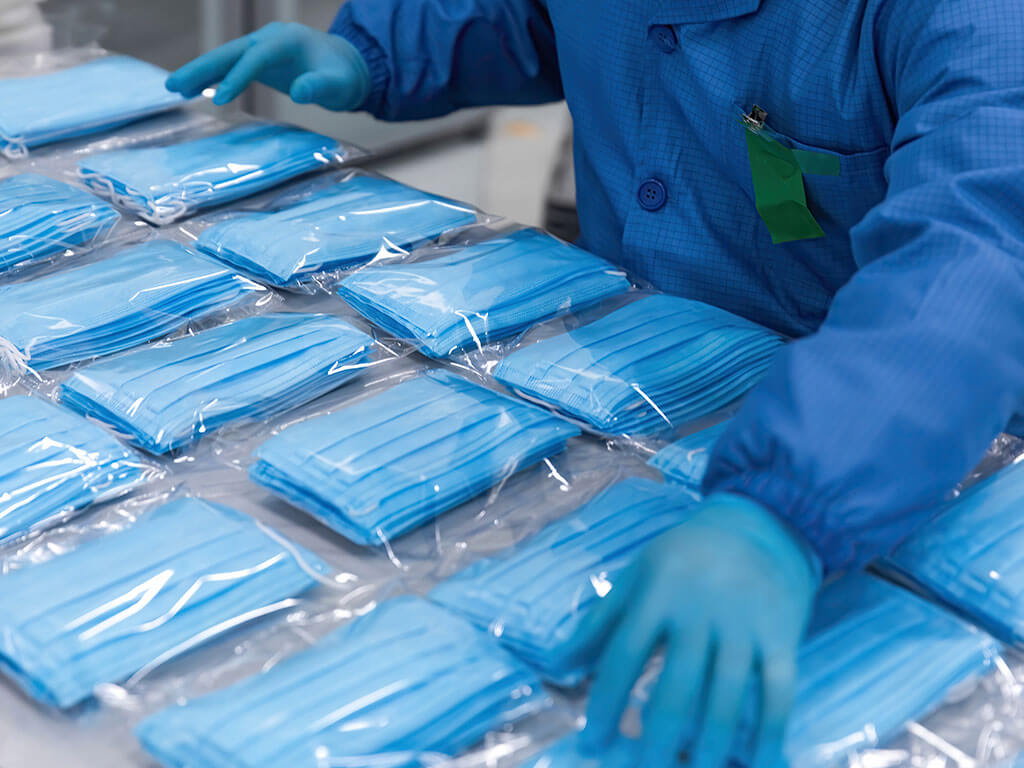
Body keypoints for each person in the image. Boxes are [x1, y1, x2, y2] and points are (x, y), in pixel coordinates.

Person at [166, 3, 1024, 767]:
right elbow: (526, 14)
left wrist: (787, 511)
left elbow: (970, 259)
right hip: (622, 390)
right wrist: (375, 51)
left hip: (900, 438)